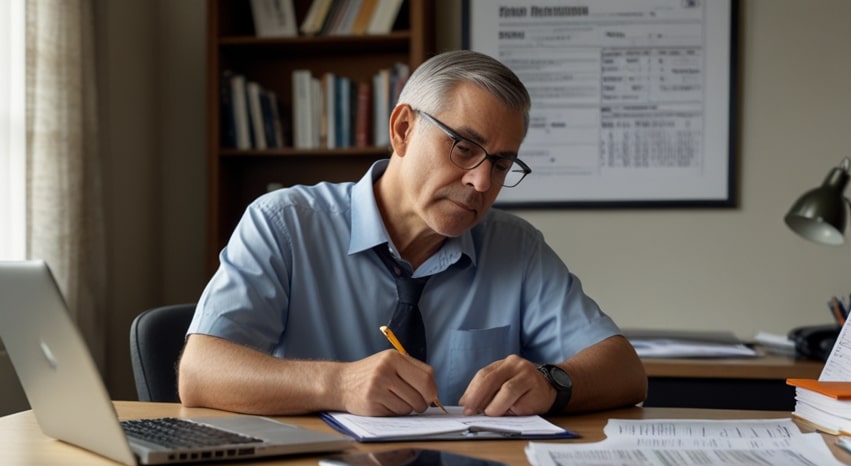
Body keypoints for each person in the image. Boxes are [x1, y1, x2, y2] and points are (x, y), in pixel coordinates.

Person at [178, 50, 646, 417]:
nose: (481, 183)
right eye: (464, 148)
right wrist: (338, 385)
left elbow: (625, 370)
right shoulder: (285, 223)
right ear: (403, 129)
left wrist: (551, 382)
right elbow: (200, 373)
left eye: (501, 163)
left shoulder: (515, 246)